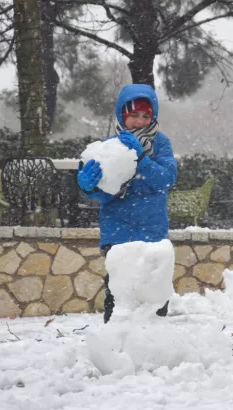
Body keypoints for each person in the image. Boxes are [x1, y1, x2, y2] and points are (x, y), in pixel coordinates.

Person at [77, 84, 178, 323]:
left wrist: (141, 159)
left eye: (146, 115)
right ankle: (115, 346)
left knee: (154, 296)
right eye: (133, 115)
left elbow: (166, 180)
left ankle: (154, 344)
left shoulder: (160, 144)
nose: (140, 121)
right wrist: (88, 186)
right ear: (122, 116)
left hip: (152, 234)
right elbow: (107, 193)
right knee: (119, 295)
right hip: (118, 233)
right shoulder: (110, 147)